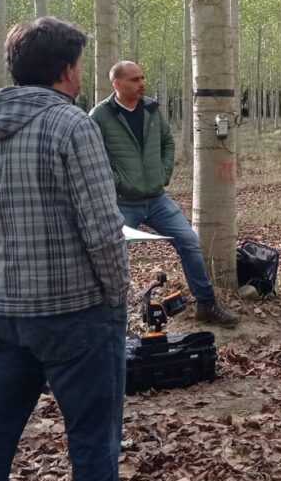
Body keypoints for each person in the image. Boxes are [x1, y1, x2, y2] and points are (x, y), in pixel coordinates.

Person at [0, 18, 131, 481]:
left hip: (2, 312)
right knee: (93, 443)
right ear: (67, 71)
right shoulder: (72, 124)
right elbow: (104, 230)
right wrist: (116, 296)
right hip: (76, 313)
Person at [90, 60, 239, 327]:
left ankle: (206, 304)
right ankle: (112, 320)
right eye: (134, 79)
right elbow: (93, 158)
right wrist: (118, 182)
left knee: (188, 242)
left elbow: (167, 142)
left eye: (142, 77)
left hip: (157, 199)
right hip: (123, 203)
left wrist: (163, 173)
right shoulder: (99, 116)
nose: (142, 83)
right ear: (117, 83)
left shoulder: (151, 108)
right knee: (114, 258)